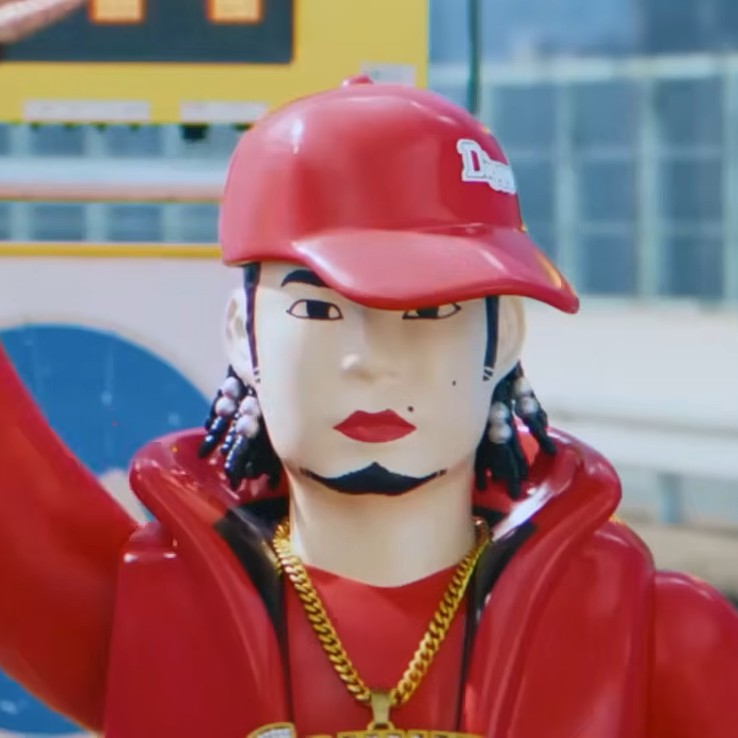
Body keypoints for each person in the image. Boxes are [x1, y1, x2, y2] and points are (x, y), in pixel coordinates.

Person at [0, 75, 737, 738]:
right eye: (318, 311)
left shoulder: (659, 637)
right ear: (242, 333)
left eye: (430, 311)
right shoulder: (146, 612)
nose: (371, 359)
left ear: (504, 335)